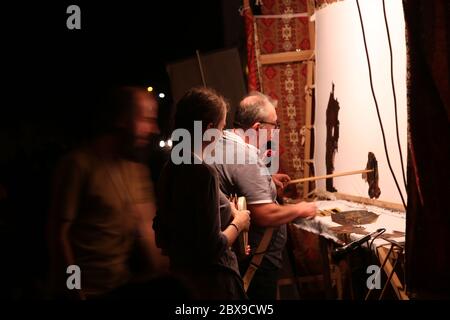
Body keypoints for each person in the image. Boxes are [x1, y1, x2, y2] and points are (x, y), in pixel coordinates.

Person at [48, 86, 167, 299]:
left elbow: (147, 230)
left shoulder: (136, 169)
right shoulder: (79, 165)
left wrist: (169, 276)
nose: (154, 129)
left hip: (120, 287)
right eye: (146, 119)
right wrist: (74, 289)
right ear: (121, 119)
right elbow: (59, 234)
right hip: (86, 292)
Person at [209, 91, 317, 300]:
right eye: (275, 126)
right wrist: (301, 209)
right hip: (257, 262)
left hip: (246, 259)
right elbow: (263, 214)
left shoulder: (224, 141)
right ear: (258, 127)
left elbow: (239, 183)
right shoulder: (245, 156)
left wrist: (267, 180)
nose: (276, 132)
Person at [153, 87, 251, 299]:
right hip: (215, 283)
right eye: (222, 127)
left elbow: (162, 232)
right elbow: (211, 247)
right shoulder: (203, 173)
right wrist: (239, 222)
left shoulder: (171, 167)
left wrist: (229, 210)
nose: (223, 135)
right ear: (209, 129)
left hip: (184, 281)